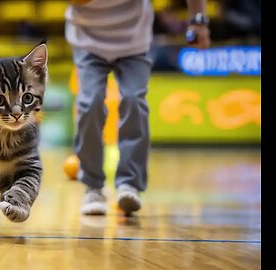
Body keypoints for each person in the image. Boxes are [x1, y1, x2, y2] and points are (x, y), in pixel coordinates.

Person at [65, 0, 211, 215]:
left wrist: (198, 20)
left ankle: (129, 184)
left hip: (134, 41)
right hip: (87, 40)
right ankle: (93, 187)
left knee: (134, 100)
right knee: (89, 104)